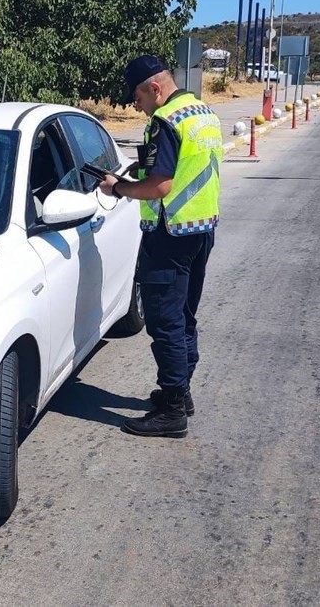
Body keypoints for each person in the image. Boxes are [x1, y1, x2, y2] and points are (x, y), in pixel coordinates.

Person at [98, 55, 223, 438]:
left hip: (170, 235)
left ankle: (171, 411)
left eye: (136, 96)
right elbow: (181, 167)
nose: (134, 104)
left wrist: (118, 188)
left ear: (154, 87)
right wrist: (138, 172)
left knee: (165, 322)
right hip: (201, 230)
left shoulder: (164, 121)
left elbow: (161, 186)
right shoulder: (202, 112)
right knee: (184, 317)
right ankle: (180, 392)